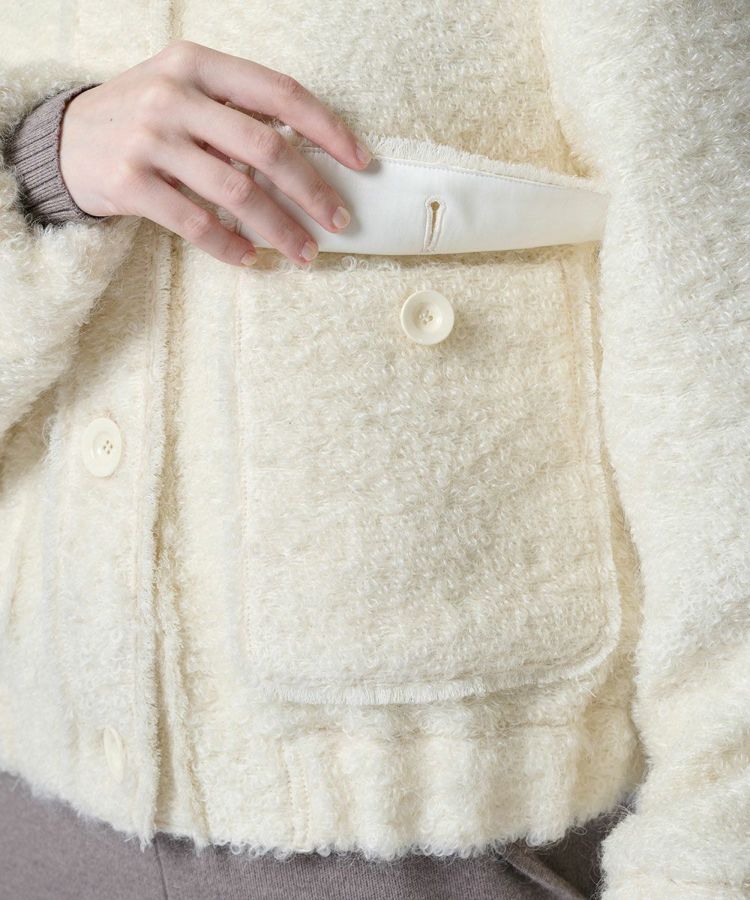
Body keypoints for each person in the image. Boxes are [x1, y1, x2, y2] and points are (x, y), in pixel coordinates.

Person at [0, 2, 748, 898]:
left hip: (441, 834)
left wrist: (717, 844)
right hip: (35, 806)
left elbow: (718, 344)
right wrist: (40, 167)